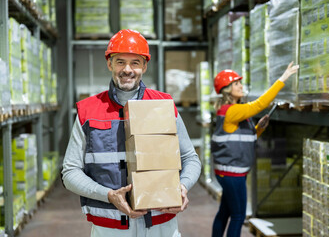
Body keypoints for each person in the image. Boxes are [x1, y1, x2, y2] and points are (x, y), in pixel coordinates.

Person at [62, 29, 201, 237]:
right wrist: (109, 195)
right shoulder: (88, 111)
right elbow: (70, 172)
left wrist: (182, 186)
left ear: (144, 66)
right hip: (109, 228)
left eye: (135, 62)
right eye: (120, 62)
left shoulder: (163, 105)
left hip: (160, 226)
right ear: (109, 64)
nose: (127, 69)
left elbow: (191, 158)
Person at [211, 62, 299, 237]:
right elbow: (260, 104)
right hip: (232, 173)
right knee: (238, 216)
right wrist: (283, 78)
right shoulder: (231, 111)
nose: (241, 86)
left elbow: (242, 140)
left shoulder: (235, 111)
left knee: (226, 212)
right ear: (227, 89)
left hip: (230, 172)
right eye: (236, 84)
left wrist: (259, 128)